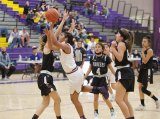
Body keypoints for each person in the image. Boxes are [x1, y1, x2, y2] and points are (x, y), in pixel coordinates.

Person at [45, 18, 109, 119]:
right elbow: (51, 45)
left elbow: (54, 42)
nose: (59, 36)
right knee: (75, 96)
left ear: (65, 39)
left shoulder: (66, 46)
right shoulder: (64, 45)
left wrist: (51, 29)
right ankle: (99, 89)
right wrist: (69, 26)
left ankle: (83, 116)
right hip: (74, 74)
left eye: (61, 35)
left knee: (75, 98)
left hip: (74, 75)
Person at [31, 34, 62, 119]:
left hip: (45, 77)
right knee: (57, 100)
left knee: (45, 102)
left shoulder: (50, 49)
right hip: (45, 77)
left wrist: (63, 21)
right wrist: (51, 30)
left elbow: (58, 39)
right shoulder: (47, 47)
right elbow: (54, 36)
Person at [84, 42, 116, 119]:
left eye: (99, 47)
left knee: (105, 98)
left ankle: (112, 111)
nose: (97, 48)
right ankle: (96, 113)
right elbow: (89, 69)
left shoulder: (106, 58)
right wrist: (84, 77)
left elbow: (111, 68)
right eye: (96, 47)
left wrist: (117, 76)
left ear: (102, 49)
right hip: (95, 79)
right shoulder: (92, 58)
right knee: (95, 98)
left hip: (103, 79)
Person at [110, 28, 135, 119]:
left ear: (121, 37)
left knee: (118, 100)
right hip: (126, 71)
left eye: (117, 34)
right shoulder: (122, 44)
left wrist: (113, 48)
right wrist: (112, 50)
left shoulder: (121, 44)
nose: (116, 35)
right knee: (124, 99)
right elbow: (115, 59)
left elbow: (120, 58)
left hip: (124, 72)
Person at [136, 35, 159, 111]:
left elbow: (145, 61)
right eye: (142, 41)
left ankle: (156, 99)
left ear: (148, 43)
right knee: (139, 87)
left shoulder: (150, 50)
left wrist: (142, 52)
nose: (143, 43)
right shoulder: (144, 50)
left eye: (145, 41)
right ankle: (142, 105)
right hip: (142, 70)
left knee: (143, 89)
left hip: (147, 70)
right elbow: (142, 62)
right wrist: (139, 71)